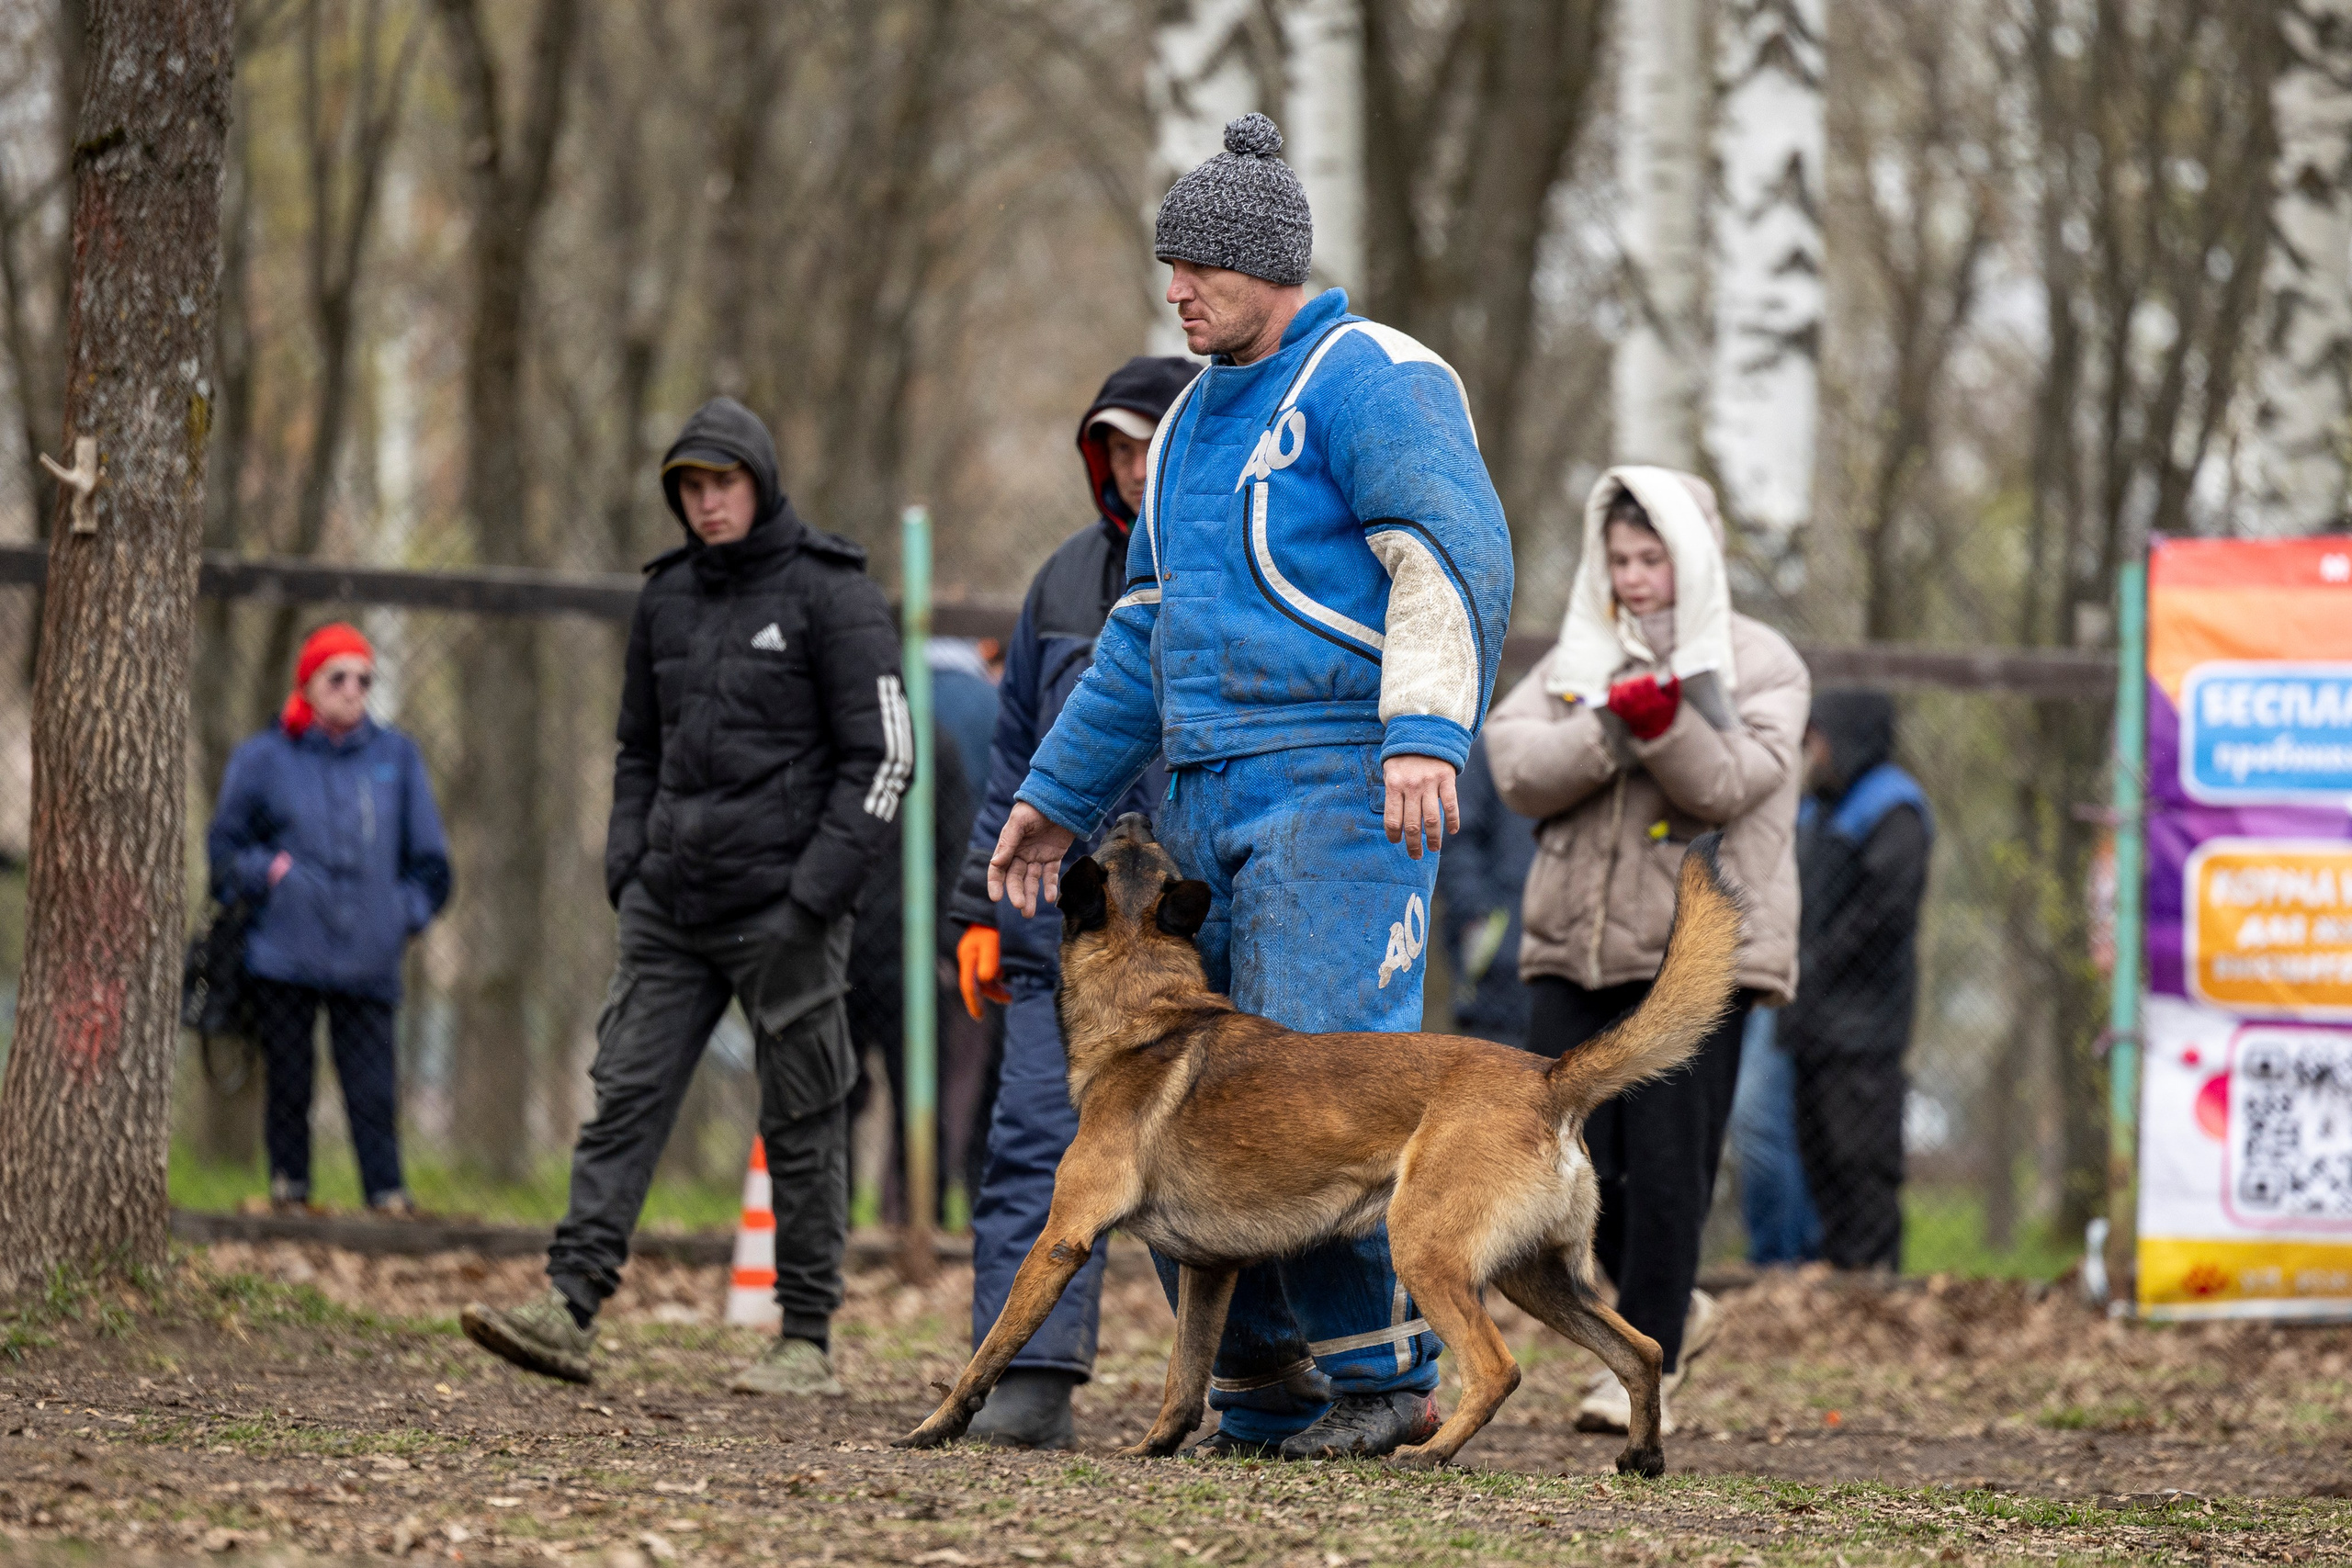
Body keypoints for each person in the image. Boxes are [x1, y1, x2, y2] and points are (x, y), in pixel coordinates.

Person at [986, 114, 1514, 1460]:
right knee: (1179, 1104)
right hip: (1204, 790)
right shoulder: (1186, 427)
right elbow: (1140, 633)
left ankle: (1382, 1382)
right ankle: (1261, 1383)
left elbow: (1453, 557)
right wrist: (1052, 794)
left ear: (1268, 265)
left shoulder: (1372, 377)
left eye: (1198, 269)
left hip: (1344, 781)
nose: (1178, 292)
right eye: (1169, 268)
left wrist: (1421, 732)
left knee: (1322, 1078)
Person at [460, 397, 909, 1395]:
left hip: (786, 912)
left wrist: (812, 898)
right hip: (669, 904)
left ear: (760, 480)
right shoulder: (665, 599)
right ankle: (568, 1306)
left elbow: (885, 758)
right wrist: (628, 863)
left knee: (802, 1119)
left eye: (723, 484)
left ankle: (805, 1338)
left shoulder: (832, 594)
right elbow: (636, 748)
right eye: (690, 489)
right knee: (623, 1094)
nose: (707, 505)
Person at [1484, 466, 1806, 1435]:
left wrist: (1660, 721)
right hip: (1569, 951)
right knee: (1577, 1165)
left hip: (1695, 953)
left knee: (1669, 1168)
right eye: (1617, 558)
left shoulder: (1764, 663)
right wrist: (1610, 728)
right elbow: (1514, 764)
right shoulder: (1581, 653)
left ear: (1694, 557)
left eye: (1651, 556)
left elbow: (1730, 783)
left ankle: (1644, 1357)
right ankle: (1670, 1315)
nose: (1631, 576)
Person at [947, 353, 1198, 1449]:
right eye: (1115, 447)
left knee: (1220, 1165)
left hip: (1190, 943)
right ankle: (1030, 1378)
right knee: (1033, 1146)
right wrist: (977, 912)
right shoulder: (1057, 583)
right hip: (1064, 942)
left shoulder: (1226, 570)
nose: (1134, 467)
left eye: (1151, 443)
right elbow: (1015, 765)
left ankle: (1253, 1385)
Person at [207, 623, 450, 1215]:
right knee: (289, 1080)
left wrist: (401, 915)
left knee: (372, 1086)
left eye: (364, 678)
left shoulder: (397, 758)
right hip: (284, 951)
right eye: (337, 677)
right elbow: (224, 853)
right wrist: (270, 875)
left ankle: (386, 1199)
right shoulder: (264, 757)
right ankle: (291, 1194)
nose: (352, 689)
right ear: (308, 685)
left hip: (369, 956)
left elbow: (431, 865)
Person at [1778, 688, 1931, 1272]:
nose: (1809, 751)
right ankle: (1840, 1273)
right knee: (1819, 1152)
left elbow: (1885, 912)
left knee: (1862, 1155)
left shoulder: (1893, 811)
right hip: (1812, 1016)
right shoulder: (1820, 808)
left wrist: (1817, 961)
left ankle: (1873, 1278)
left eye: (1817, 738)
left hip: (1865, 1023)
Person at [1432, 735, 1536, 1048]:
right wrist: (1482, 920)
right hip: (1498, 980)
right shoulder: (1492, 746)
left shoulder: (1614, 739)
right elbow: (1455, 837)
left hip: (1578, 986)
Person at [1727, 1007, 1822, 1265]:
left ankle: (1774, 1262)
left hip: (1770, 989)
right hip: (1717, 983)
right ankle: (1796, 1256)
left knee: (1757, 1122)